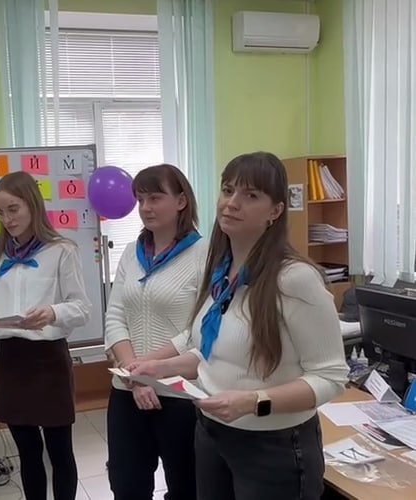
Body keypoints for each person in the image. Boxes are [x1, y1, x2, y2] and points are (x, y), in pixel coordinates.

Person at [131, 152, 349, 500]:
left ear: (275, 211)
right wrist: (163, 367)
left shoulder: (295, 279)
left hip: (272, 447)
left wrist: (253, 401)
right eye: (228, 190)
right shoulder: (220, 270)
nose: (231, 203)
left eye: (250, 195)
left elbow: (331, 377)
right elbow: (211, 352)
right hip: (212, 434)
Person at [0, 171, 91, 500]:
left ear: (33, 204)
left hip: (48, 359)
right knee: (27, 451)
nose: (7, 219)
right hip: (12, 360)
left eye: (13, 209)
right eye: (0, 212)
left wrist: (52, 312)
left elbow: (82, 308)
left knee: (59, 450)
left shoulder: (61, 250)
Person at [104, 164, 204, 500]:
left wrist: (147, 370)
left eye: (155, 198)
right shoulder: (132, 253)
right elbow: (115, 315)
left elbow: (199, 330)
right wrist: (134, 376)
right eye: (141, 199)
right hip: (127, 390)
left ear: (181, 201)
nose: (145, 207)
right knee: (127, 486)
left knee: (187, 488)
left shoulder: (205, 255)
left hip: (181, 393)